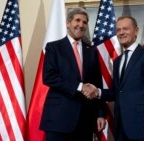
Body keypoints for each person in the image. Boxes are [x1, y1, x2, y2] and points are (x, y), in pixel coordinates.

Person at [85, 16, 144, 141]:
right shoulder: (117, 61)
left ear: (136, 31)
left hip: (143, 128)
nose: (121, 33)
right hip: (120, 128)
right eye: (118, 30)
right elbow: (117, 92)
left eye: (125, 29)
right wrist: (97, 91)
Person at [39, 8, 106, 141]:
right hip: (58, 119)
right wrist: (80, 87)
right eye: (77, 20)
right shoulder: (53, 47)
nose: (81, 25)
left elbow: (97, 84)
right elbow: (49, 77)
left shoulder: (91, 51)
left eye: (84, 22)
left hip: (85, 120)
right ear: (68, 23)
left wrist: (100, 113)